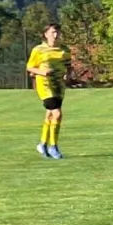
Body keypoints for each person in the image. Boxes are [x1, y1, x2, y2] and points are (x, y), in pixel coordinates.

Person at [26, 24, 71, 159]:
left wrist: (67, 75)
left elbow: (68, 65)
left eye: (58, 32)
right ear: (46, 34)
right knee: (57, 114)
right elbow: (30, 67)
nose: (56, 35)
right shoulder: (38, 50)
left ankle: (42, 144)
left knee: (50, 114)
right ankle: (53, 146)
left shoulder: (64, 49)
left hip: (58, 85)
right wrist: (42, 72)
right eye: (53, 32)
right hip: (45, 85)